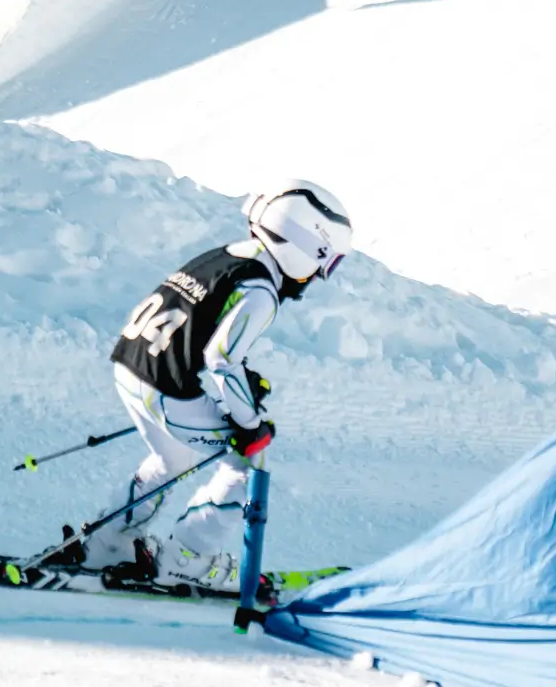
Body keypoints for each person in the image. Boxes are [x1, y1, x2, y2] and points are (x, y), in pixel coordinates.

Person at [66, 181, 354, 590]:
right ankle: (186, 560)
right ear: (304, 246)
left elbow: (198, 326)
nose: (319, 276)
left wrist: (240, 385)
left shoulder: (229, 255)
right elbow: (221, 358)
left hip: (131, 368)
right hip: (163, 391)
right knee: (246, 462)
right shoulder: (261, 291)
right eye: (325, 262)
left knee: (173, 457)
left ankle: (107, 544)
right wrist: (249, 422)